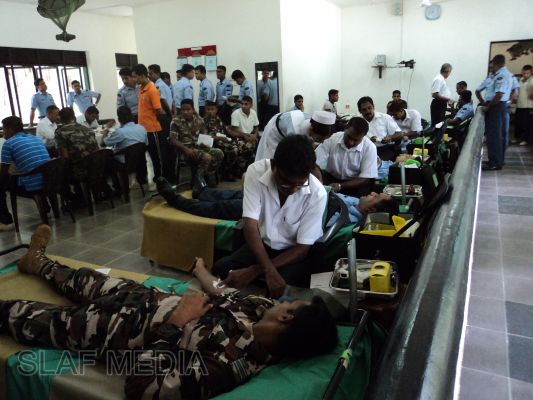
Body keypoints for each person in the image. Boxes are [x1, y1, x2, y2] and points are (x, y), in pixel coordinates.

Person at [1, 225, 338, 399]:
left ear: (286, 319)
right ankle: (37, 262)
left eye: (290, 305)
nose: (283, 302)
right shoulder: (260, 308)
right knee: (82, 278)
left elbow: (142, 387)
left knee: (24, 316)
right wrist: (201, 271)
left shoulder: (228, 367)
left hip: (110, 331)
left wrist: (177, 322)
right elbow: (224, 292)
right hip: (140, 296)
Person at [213, 135, 327, 296]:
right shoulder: (256, 171)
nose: (292, 190)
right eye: (285, 182)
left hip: (293, 253)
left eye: (300, 184)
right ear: (274, 165)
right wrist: (266, 269)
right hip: (264, 246)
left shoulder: (317, 193)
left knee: (283, 284)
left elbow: (302, 249)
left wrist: (255, 271)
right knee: (221, 268)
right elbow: (250, 225)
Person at [156, 176, 397, 228]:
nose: (371, 193)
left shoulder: (343, 220)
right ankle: (203, 191)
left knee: (223, 208)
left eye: (375, 196)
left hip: (276, 211)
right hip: (283, 196)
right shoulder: (352, 201)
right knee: (239, 194)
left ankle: (175, 199)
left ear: (372, 209)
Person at [0, 117, 50, 230]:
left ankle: (6, 221)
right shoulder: (35, 138)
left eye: (4, 129)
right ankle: (45, 209)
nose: (3, 133)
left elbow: (4, 172)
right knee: (34, 172)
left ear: (10, 129)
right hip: (50, 181)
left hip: (33, 186)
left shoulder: (8, 144)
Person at [315, 117, 378, 196]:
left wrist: (340, 186)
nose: (351, 142)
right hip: (331, 179)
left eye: (356, 140)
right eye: (349, 137)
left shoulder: (370, 148)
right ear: (345, 128)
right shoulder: (332, 138)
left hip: (356, 183)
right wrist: (319, 182)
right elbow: (314, 163)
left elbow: (365, 177)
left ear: (364, 136)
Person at [132, 63, 174, 182]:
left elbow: (159, 110)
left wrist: (168, 120)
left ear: (142, 75)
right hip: (142, 129)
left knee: (156, 155)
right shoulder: (141, 89)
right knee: (147, 155)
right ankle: (151, 177)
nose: (134, 79)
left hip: (153, 129)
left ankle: (160, 177)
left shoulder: (152, 90)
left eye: (135, 77)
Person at [169, 99, 224, 187]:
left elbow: (204, 135)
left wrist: (208, 142)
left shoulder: (199, 120)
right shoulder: (175, 121)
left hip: (199, 147)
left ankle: (206, 175)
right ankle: (197, 181)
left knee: (219, 153)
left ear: (193, 109)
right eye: (183, 110)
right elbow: (172, 140)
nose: (185, 112)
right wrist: (185, 149)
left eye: (188, 109)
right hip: (184, 150)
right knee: (207, 157)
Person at [477, 55, 513, 171]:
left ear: (496, 63)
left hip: (496, 106)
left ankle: (495, 163)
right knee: (496, 135)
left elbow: (499, 95)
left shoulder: (502, 75)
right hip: (497, 106)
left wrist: (488, 106)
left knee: (494, 136)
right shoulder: (499, 75)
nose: (491, 67)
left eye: (492, 64)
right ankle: (497, 160)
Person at [255, 110, 336, 161]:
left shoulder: (314, 124)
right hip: (275, 132)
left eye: (324, 139)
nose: (322, 142)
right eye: (319, 139)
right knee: (271, 160)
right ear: (311, 130)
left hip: (287, 127)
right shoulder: (294, 131)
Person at [204, 101, 252, 179]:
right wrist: (221, 138)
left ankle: (239, 169)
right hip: (214, 142)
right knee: (233, 149)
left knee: (244, 146)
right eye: (208, 109)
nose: (210, 111)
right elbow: (206, 136)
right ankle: (227, 172)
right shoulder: (204, 121)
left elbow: (227, 131)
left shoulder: (218, 119)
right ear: (205, 110)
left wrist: (244, 135)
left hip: (224, 140)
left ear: (216, 110)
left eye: (212, 109)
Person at [55, 107, 99, 179]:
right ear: (73, 116)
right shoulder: (87, 129)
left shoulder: (60, 132)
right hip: (95, 167)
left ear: (60, 118)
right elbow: (97, 150)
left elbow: (65, 157)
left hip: (79, 170)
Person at [514, 65, 533, 146]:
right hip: (519, 105)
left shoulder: (532, 81)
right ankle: (517, 138)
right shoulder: (521, 80)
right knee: (518, 123)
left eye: (527, 73)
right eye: (524, 73)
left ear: (531, 73)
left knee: (526, 124)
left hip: (528, 106)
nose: (525, 75)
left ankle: (525, 139)